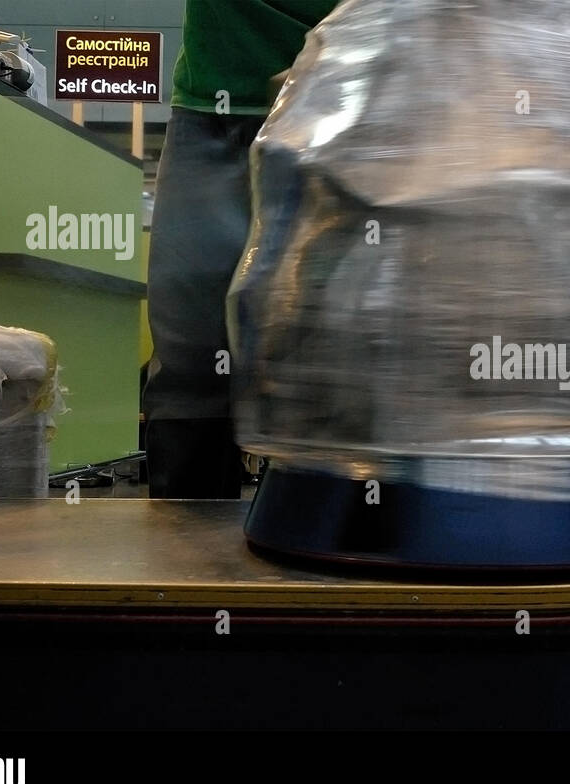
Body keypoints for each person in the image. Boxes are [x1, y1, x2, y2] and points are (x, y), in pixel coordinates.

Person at [143, 0, 341, 498]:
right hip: (216, 107)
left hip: (345, 98)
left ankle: (312, 522)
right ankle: (185, 538)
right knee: (194, 341)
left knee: (330, 335)